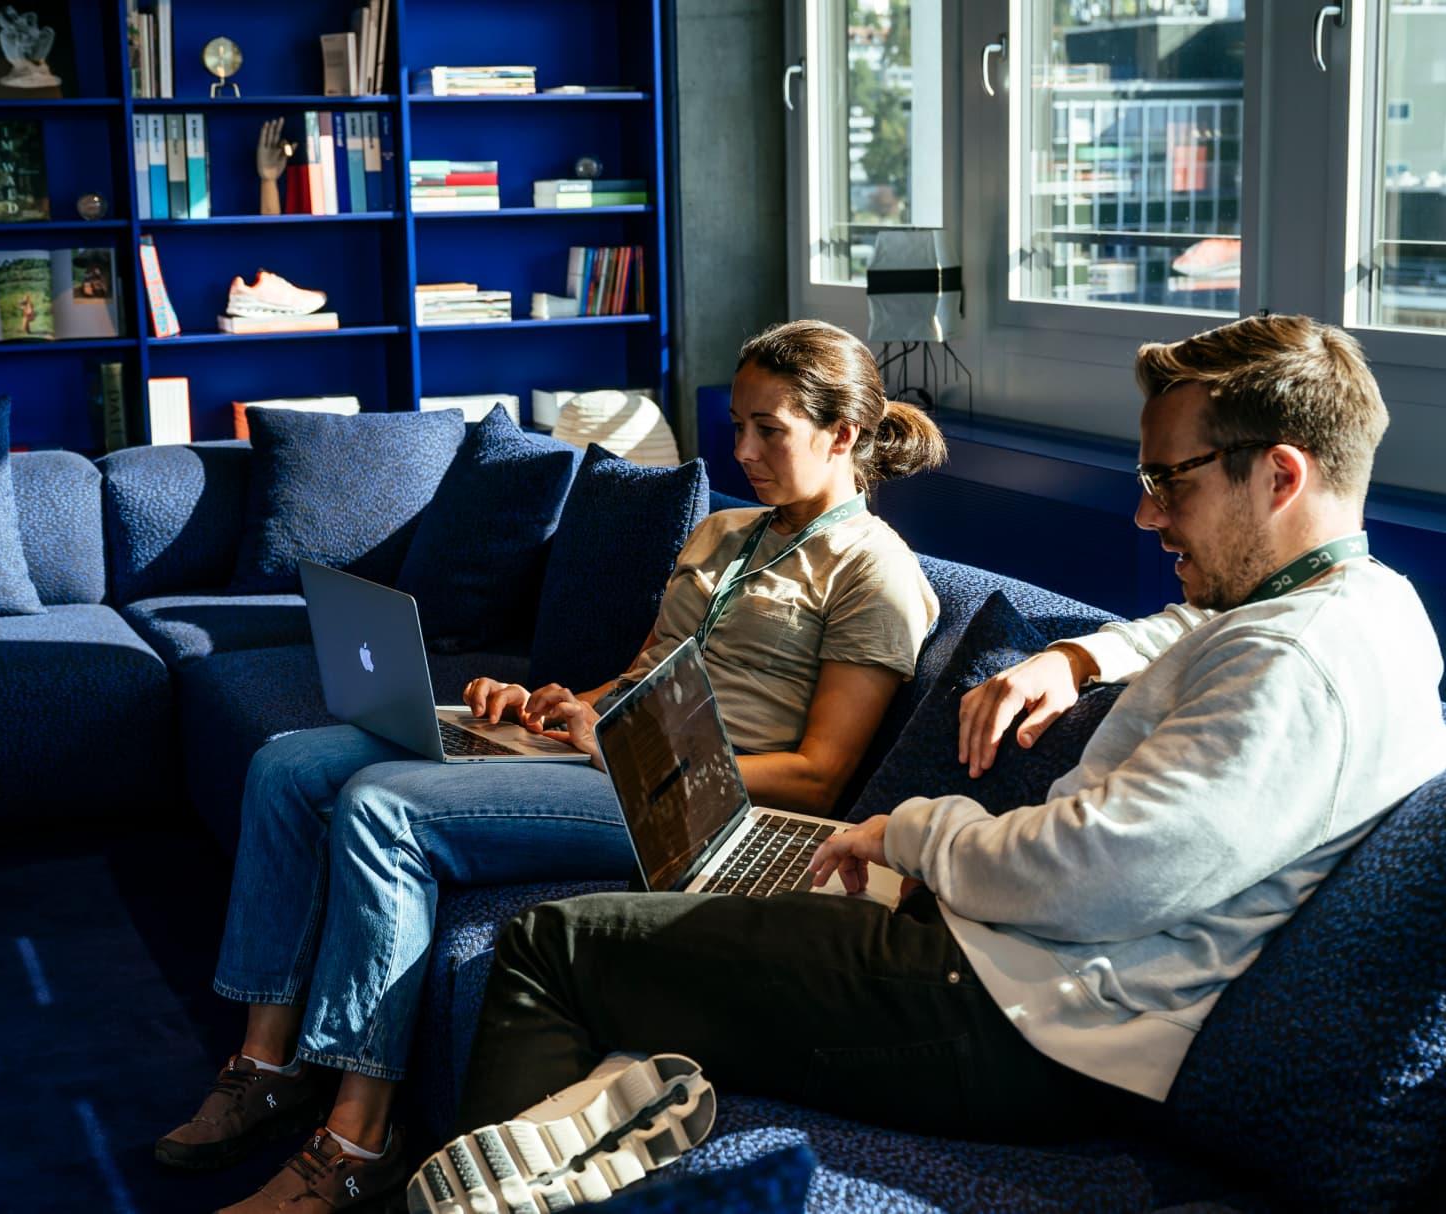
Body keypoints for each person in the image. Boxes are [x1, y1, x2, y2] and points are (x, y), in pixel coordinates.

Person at [409, 314, 1446, 1213]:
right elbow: (1195, 629)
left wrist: (915, 826)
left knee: (551, 944)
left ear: (1279, 474)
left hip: (1015, 1019)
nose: (1145, 513)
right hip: (1018, 981)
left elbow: (1096, 871)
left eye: (1165, 478)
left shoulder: (1286, 663)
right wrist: (1078, 651)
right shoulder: (1363, 608)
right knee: (680, 954)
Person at [159, 319, 950, 1213]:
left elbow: (818, 776)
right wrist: (559, 705)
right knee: (289, 765)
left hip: (686, 805)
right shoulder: (726, 532)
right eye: (737, 425)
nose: (743, 450)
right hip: (607, 755)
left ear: (843, 435)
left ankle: (356, 1139)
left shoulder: (872, 572)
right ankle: (266, 1065)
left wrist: (618, 743)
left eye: (770, 430)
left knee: (385, 805)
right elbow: (643, 678)